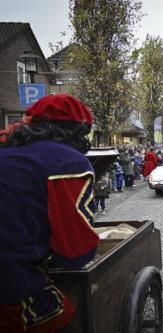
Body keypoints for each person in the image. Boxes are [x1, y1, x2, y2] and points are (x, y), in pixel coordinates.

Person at [0, 94, 100, 333]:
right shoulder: (67, 162)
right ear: (78, 131)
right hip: (12, 293)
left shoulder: (7, 150)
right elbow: (76, 251)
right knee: (66, 317)